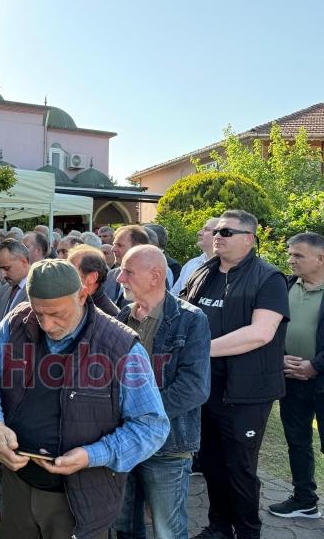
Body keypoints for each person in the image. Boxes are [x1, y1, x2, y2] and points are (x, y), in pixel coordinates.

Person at [0, 259, 170, 538]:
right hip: (18, 483)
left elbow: (151, 426)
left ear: (82, 295)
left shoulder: (119, 345)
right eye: (39, 313)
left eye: (57, 314)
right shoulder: (18, 321)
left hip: (80, 498)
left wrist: (92, 455)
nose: (48, 324)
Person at [182, 210, 290, 539]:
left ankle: (247, 532)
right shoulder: (204, 272)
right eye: (216, 230)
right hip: (205, 387)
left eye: (227, 232)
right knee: (212, 462)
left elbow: (260, 333)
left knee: (240, 469)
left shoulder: (269, 278)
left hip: (245, 392)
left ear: (249, 239)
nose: (218, 235)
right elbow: (180, 312)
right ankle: (218, 526)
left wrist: (199, 349)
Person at [113, 245, 211, 539]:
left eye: (128, 271)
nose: (119, 278)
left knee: (168, 531)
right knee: (124, 527)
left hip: (169, 445)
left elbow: (194, 388)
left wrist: (142, 415)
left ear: (155, 276)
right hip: (126, 442)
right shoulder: (122, 315)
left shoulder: (191, 319)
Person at [268, 232, 324, 519]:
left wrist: (315, 365)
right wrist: (278, 357)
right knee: (297, 441)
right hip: (291, 379)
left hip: (320, 379)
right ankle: (305, 500)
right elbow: (270, 329)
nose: (290, 260)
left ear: (320, 258)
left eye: (298, 255)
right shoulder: (285, 286)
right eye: (290, 253)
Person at [67, 244, 119, 317]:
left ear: (92, 277)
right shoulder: (68, 301)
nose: (65, 276)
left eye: (71, 272)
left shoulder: (110, 316)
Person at [171, 217, 219, 296]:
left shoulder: (229, 267)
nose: (199, 233)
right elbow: (174, 296)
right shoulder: (191, 264)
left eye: (206, 229)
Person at [104, 225, 150, 306]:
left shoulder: (150, 278)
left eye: (119, 245)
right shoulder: (111, 275)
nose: (113, 249)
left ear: (137, 248)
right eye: (114, 244)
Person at [0, 239, 31, 320]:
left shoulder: (38, 291)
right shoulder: (4, 290)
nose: (2, 275)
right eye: (0, 269)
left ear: (23, 261)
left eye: (7, 268)